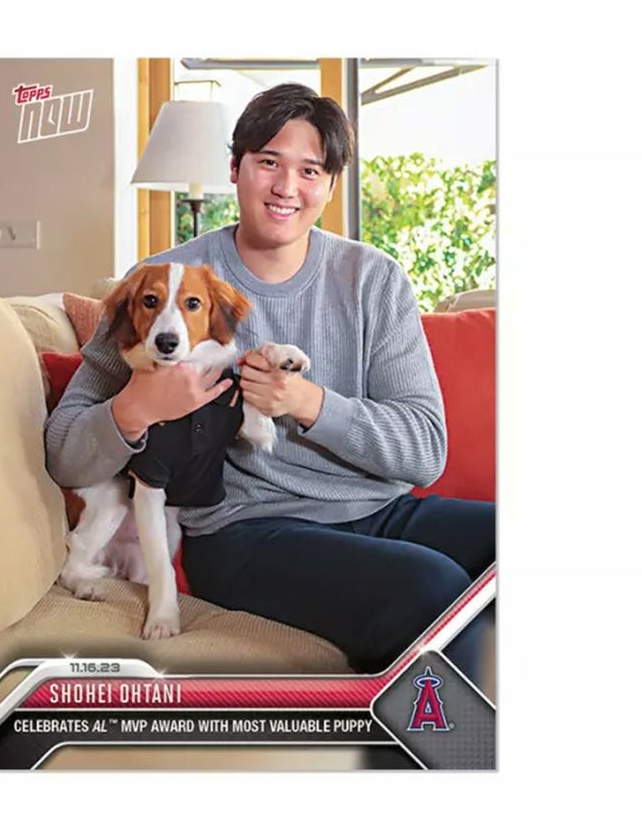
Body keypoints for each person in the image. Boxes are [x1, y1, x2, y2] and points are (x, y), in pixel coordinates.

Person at [45, 83, 494, 689]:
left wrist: (307, 404)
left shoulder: (374, 279)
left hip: (379, 510)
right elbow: (63, 452)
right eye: (268, 162)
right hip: (245, 533)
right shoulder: (159, 287)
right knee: (435, 588)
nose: (287, 187)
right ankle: (447, 748)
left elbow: (425, 451)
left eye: (310, 170)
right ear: (235, 168)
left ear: (330, 185)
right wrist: (134, 408)